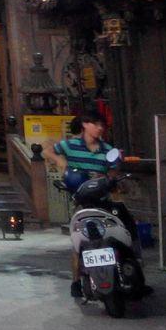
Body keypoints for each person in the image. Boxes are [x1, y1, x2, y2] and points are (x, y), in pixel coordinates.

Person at [52, 109, 118, 298]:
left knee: (113, 234)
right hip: (81, 203)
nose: (100, 128)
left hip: (103, 201)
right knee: (80, 242)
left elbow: (113, 172)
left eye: (102, 125)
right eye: (96, 124)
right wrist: (59, 160)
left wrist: (110, 178)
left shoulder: (107, 149)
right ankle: (76, 281)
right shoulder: (70, 145)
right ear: (85, 125)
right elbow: (49, 149)